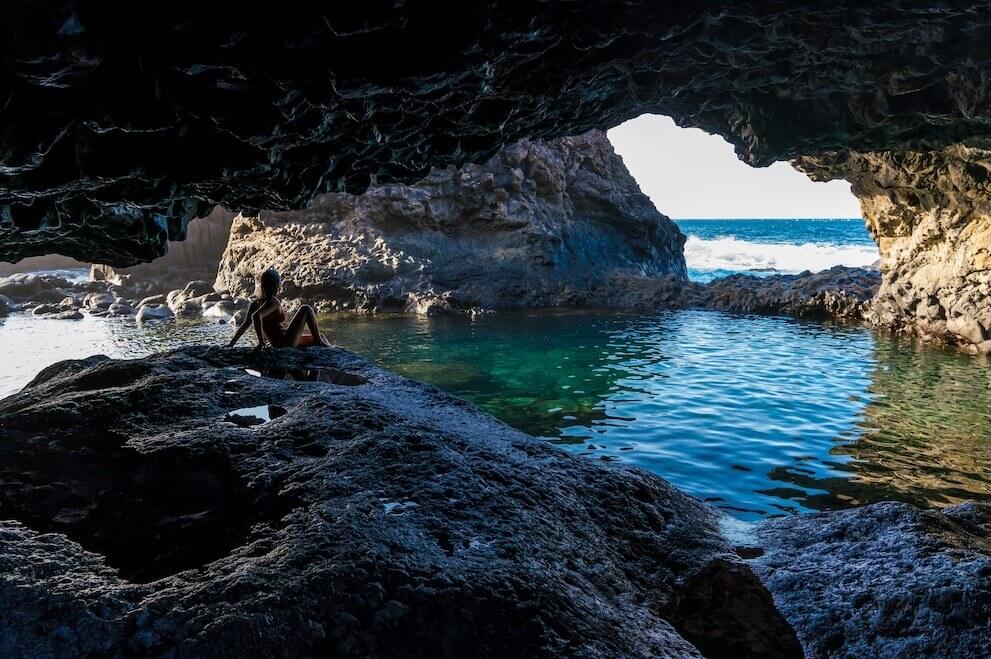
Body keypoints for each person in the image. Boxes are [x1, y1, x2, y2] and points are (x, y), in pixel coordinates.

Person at [227, 268, 331, 350]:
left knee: (321, 336)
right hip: (284, 342)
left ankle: (319, 345)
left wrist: (231, 344)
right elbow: (256, 316)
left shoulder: (255, 303)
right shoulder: (273, 302)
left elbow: (245, 325)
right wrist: (261, 342)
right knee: (306, 308)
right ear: (277, 285)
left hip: (280, 340)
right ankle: (319, 343)